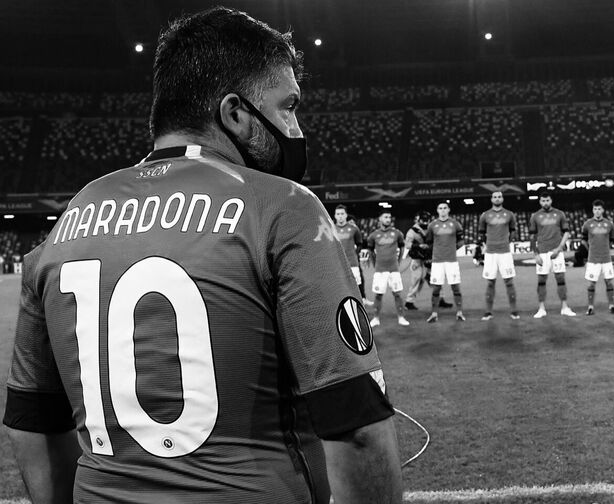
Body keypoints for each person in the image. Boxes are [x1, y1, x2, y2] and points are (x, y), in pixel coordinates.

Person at [2, 7, 402, 504]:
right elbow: (357, 428)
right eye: (288, 106)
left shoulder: (69, 221)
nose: (295, 127)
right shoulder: (283, 207)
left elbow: (31, 423)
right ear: (234, 113)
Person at [529, 192, 575, 318]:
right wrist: (535, 254)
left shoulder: (560, 214)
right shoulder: (535, 216)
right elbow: (532, 236)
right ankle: (541, 309)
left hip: (557, 252)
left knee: (561, 279)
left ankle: (565, 307)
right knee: (541, 280)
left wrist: (559, 249)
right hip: (542, 252)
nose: (545, 203)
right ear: (540, 202)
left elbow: (566, 233)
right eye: (543, 201)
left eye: (547, 200)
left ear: (551, 200)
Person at [364, 210, 410, 327]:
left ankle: (401, 317)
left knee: (397, 294)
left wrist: (398, 261)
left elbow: (402, 247)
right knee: (378, 295)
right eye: (385, 217)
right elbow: (370, 251)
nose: (388, 219)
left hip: (394, 269)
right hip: (380, 270)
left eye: (389, 217)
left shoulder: (397, 233)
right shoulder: (374, 235)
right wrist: (375, 263)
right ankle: (376, 318)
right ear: (380, 219)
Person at [478, 191, 520, 320]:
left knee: (509, 282)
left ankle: (514, 311)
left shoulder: (509, 214)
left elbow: (513, 231)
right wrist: (486, 244)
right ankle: (488, 312)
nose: (497, 199)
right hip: (490, 253)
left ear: (502, 199)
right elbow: (481, 233)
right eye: (495, 197)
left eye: (499, 196)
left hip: (505, 252)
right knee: (490, 283)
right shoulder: (485, 215)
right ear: (491, 199)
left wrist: (507, 242)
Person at [426, 201, 466, 322]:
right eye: (440, 208)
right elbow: (429, 242)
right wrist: (437, 250)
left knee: (455, 288)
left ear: (448, 210)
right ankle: (434, 313)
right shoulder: (432, 225)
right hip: (437, 261)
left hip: (451, 261)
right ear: (437, 210)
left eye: (445, 208)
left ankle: (459, 312)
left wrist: (451, 249)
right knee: (436, 289)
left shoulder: (455, 224)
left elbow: (461, 241)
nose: (442, 210)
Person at [582, 200, 614, 315]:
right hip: (593, 259)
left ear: (603, 210)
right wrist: (590, 249)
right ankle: (590, 307)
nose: (597, 211)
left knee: (609, 282)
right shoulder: (587, 224)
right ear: (593, 210)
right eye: (595, 209)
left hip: (606, 259)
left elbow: (612, 239)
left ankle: (612, 306)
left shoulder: (609, 224)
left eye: (599, 209)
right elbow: (583, 240)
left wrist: (605, 248)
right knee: (591, 283)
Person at [334, 204, 374, 306]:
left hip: (352, 263)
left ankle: (360, 305)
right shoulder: (331, 229)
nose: (340, 216)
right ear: (335, 216)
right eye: (338, 214)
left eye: (342, 214)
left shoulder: (354, 228)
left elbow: (359, 243)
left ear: (346, 215)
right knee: (340, 286)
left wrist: (354, 254)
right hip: (337, 264)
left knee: (356, 286)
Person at [404, 210, 431, 311]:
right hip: (417, 259)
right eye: (423, 220)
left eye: (427, 220)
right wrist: (419, 246)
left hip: (429, 258)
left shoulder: (430, 228)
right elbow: (407, 244)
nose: (425, 222)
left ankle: (440, 298)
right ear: (418, 219)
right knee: (416, 279)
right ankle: (409, 301)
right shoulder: (412, 231)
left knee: (434, 278)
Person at [346, 213, 373, 305]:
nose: (352, 224)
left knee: (360, 279)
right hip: (343, 261)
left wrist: (356, 252)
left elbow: (361, 243)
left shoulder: (355, 232)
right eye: (350, 222)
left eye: (353, 222)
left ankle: (363, 298)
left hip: (354, 261)